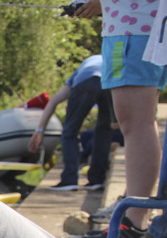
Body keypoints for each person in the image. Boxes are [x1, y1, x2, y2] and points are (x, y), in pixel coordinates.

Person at [62, 0, 167, 238]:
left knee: (136, 123)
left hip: (135, 28)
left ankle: (133, 223)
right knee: (139, 123)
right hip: (137, 24)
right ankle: (135, 218)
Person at [29, 54, 113, 191]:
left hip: (87, 82)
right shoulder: (110, 58)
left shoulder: (82, 70)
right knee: (104, 130)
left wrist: (39, 130)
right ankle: (97, 179)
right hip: (110, 82)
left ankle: (69, 179)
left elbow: (55, 100)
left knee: (70, 131)